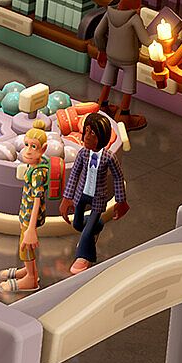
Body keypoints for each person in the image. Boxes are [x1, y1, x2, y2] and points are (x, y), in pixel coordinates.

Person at [59, 112, 127, 273]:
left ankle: (84, 257)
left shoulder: (109, 157)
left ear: (102, 137)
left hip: (98, 198)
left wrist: (121, 201)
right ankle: (97, 226)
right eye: (87, 131)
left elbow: (118, 177)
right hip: (81, 194)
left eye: (93, 133)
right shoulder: (82, 154)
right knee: (78, 224)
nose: (87, 137)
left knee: (86, 233)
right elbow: (74, 174)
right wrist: (67, 198)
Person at [84, 0, 152, 130]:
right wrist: (160, 39)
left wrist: (102, 50)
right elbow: (146, 40)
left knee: (108, 80)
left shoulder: (110, 12)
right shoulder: (134, 19)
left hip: (111, 54)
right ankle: (124, 116)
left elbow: (98, 34)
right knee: (128, 86)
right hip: (128, 58)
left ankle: (101, 106)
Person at [1, 127, 51, 294]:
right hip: (26, 212)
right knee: (25, 245)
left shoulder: (37, 173)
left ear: (43, 149)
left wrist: (31, 229)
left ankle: (31, 279)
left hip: (30, 215)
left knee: (25, 246)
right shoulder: (37, 164)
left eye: (34, 146)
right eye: (27, 145)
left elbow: (37, 199)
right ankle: (29, 270)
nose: (28, 151)